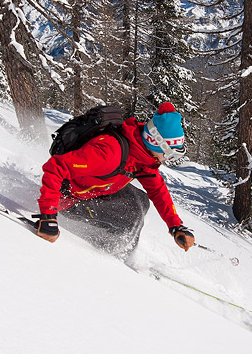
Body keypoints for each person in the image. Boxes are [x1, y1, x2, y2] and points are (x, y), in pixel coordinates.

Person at [35, 102, 195, 256]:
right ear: (157, 142)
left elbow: (158, 191)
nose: (170, 159)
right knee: (130, 218)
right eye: (171, 154)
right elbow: (56, 166)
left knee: (142, 200)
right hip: (70, 199)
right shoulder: (109, 154)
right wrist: (48, 216)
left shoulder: (143, 155)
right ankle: (114, 254)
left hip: (98, 188)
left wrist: (176, 226)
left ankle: (119, 244)